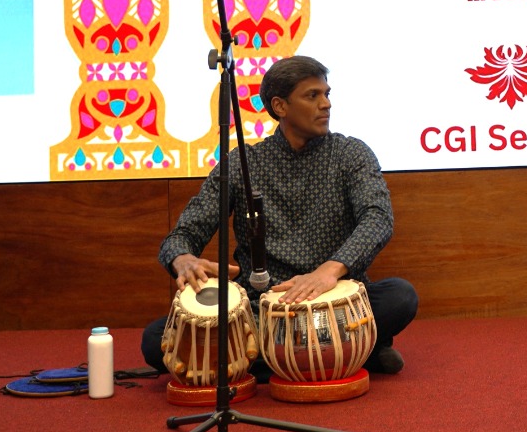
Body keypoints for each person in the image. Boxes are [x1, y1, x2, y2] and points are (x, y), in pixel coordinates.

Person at [141, 55, 418, 378]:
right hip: (263, 309)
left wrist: (329, 271)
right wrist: (183, 259)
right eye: (312, 95)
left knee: (400, 296)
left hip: (334, 301)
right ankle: (343, 352)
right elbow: (182, 235)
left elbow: (377, 218)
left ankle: (262, 362)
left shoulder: (350, 154)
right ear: (280, 106)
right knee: (154, 340)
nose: (325, 104)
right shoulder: (244, 163)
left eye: (327, 94)